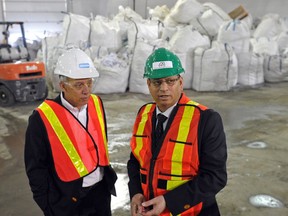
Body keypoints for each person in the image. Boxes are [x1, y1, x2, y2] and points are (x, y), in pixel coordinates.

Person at [127, 47, 227, 216]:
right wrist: (136, 192)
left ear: (181, 82)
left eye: (170, 81)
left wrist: (169, 201)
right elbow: (135, 161)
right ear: (148, 84)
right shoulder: (143, 114)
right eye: (157, 82)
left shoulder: (205, 119)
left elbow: (215, 177)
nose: (163, 88)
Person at [24, 48, 117, 216]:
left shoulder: (96, 103)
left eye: (89, 83)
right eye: (78, 85)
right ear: (62, 86)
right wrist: (49, 207)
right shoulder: (42, 118)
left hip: (101, 193)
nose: (86, 90)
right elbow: (36, 168)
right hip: (69, 199)